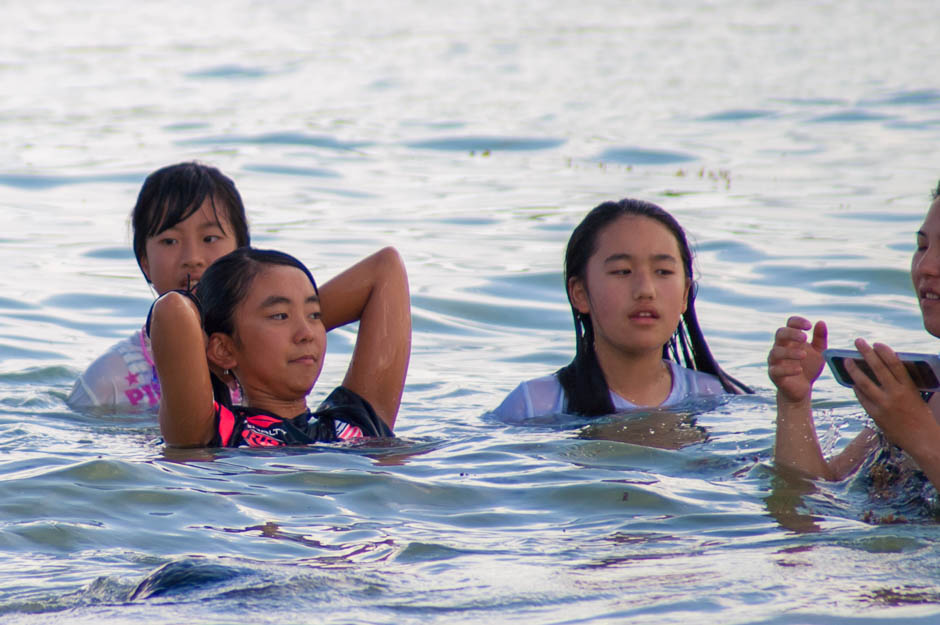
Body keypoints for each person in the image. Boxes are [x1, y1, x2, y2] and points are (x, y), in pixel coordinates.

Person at [492, 199, 751, 422]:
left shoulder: (715, 400)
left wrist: (792, 405)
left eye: (663, 272)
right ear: (580, 293)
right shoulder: (533, 405)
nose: (645, 290)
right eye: (622, 271)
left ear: (685, 295)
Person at [770, 182, 940, 496]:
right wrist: (794, 402)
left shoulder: (914, 414)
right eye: (921, 246)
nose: (926, 266)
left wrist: (919, 435)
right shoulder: (925, 394)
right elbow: (812, 496)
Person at [150, 246, 411, 447]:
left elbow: (386, 267)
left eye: (315, 315)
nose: (306, 334)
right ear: (224, 350)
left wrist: (284, 326)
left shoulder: (358, 422)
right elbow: (172, 310)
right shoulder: (214, 431)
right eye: (279, 316)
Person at [67, 162, 250, 413]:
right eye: (169, 241)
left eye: (210, 239)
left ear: (242, 253)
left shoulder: (263, 358)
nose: (192, 257)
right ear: (145, 263)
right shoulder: (107, 381)